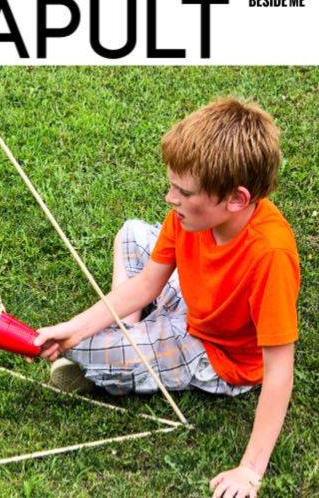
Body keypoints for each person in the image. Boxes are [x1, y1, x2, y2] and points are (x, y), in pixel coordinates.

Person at [35, 99, 300, 498]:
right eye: (172, 185)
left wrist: (250, 470)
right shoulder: (189, 217)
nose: (169, 198)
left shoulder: (270, 256)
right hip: (193, 301)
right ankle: (131, 333)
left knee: (84, 350)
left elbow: (279, 370)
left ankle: (121, 354)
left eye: (183, 191)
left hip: (216, 353)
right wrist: (74, 327)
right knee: (131, 233)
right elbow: (147, 284)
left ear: (236, 200)